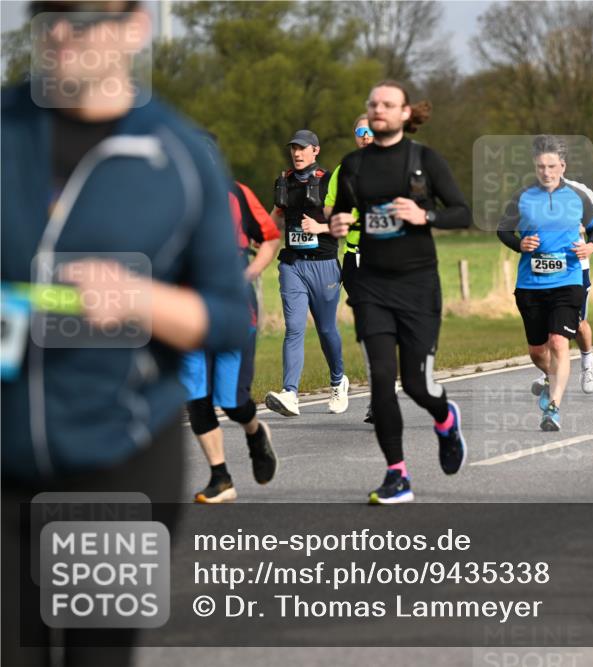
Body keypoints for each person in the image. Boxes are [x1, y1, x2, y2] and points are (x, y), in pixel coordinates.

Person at [1, 2, 249, 665]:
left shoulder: (179, 155)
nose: (58, 31)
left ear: (136, 26)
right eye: (47, 12)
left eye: (82, 17)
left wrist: (141, 300)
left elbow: (229, 316)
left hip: (118, 464)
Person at [328, 80, 471, 504]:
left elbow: (463, 211)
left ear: (406, 113)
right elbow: (342, 213)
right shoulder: (354, 164)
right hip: (371, 284)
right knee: (381, 379)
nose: (378, 110)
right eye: (373, 104)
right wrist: (338, 224)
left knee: (416, 384)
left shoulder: (424, 160)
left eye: (388, 104)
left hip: (418, 285)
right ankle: (397, 474)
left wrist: (424, 214)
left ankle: (446, 421)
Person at [183, 136, 281, 503]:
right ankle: (220, 478)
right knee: (196, 396)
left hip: (234, 312)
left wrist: (252, 271)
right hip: (187, 314)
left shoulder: (237, 194)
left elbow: (270, 238)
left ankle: (255, 432)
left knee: (233, 401)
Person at [499, 136, 593, 431]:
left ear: (562, 166)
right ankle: (554, 379)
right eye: (540, 166)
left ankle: (554, 408)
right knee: (537, 351)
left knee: (559, 342)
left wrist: (591, 247)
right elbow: (503, 230)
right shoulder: (522, 196)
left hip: (567, 281)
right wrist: (519, 244)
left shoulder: (577, 197)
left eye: (551, 166)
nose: (546, 172)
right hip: (530, 284)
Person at [264, 129, 349, 418]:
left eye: (303, 148)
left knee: (326, 329)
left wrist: (321, 228)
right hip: (293, 265)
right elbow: (276, 214)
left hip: (324, 264)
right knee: (294, 328)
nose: (297, 153)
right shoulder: (284, 182)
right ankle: (290, 393)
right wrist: (262, 233)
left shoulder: (329, 182)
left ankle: (338, 381)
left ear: (316, 150)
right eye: (293, 149)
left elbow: (347, 225)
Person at [537, 176, 593, 394]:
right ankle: (548, 373)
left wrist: (578, 226)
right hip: (543, 264)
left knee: (577, 322)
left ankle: (588, 361)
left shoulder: (579, 191)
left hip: (574, 265)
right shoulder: (533, 192)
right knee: (546, 322)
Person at [324, 114, 377, 423]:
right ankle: (377, 397)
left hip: (389, 257)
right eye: (361, 131)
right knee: (369, 331)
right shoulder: (345, 169)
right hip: (356, 258)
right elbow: (330, 205)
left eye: (371, 130)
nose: (366, 136)